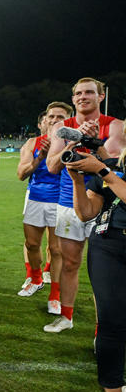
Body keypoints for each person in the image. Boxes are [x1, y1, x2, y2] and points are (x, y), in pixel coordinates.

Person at [43, 78, 124, 333]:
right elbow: (52, 167)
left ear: (101, 97)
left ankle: (104, 328)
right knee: (69, 263)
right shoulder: (62, 126)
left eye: (89, 92)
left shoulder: (115, 127)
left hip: (108, 206)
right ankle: (66, 317)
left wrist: (96, 145)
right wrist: (72, 144)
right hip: (70, 202)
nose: (83, 96)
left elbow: (118, 167)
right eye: (78, 93)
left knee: (106, 271)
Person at [65, 134, 126, 392]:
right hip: (108, 247)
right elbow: (86, 212)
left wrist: (103, 171)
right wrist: (78, 180)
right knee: (112, 320)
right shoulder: (113, 165)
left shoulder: (108, 169)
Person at [16, 103, 70, 313]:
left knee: (56, 249)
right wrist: (40, 157)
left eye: (60, 117)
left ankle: (55, 295)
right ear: (45, 120)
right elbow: (21, 174)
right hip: (36, 199)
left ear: (68, 120)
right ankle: (36, 279)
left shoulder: (73, 143)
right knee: (31, 244)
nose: (55, 120)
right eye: (51, 116)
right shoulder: (33, 143)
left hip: (61, 200)